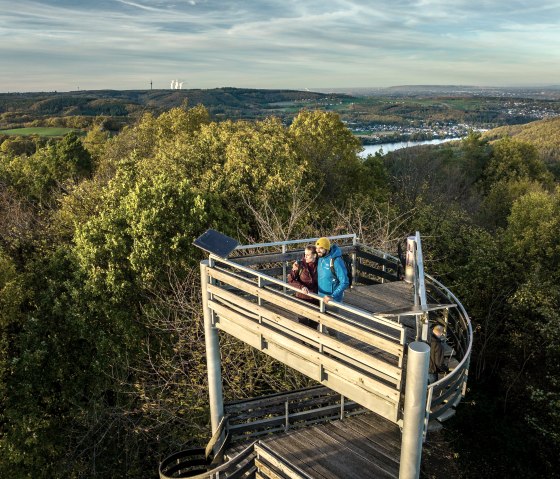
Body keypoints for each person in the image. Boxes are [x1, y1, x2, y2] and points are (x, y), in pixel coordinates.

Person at [315, 237, 349, 337]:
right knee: (321, 325)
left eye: (321, 248)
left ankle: (333, 350)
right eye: (317, 248)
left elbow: (345, 282)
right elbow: (308, 259)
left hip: (332, 300)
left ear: (327, 248)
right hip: (320, 297)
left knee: (332, 328)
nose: (318, 250)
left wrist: (333, 296)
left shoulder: (336, 261)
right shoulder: (320, 258)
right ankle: (323, 349)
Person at [288, 245, 319, 328]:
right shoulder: (300, 265)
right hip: (303, 298)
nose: (305, 257)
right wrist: (301, 287)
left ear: (314, 255)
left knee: (314, 324)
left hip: (316, 299)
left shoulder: (321, 264)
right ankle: (303, 341)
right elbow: (291, 280)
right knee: (303, 324)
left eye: (308, 255)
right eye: (304, 254)